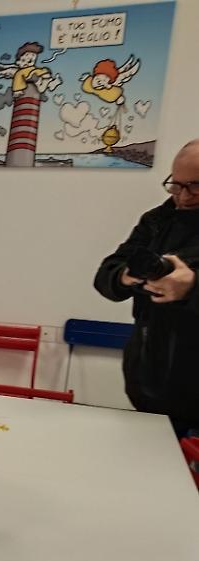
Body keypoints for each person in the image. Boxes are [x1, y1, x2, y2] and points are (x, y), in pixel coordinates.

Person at [94, 140, 199, 437]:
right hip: (150, 386)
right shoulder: (156, 220)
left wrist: (192, 287)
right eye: (176, 185)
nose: (183, 196)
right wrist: (126, 276)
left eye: (195, 186)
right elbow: (107, 274)